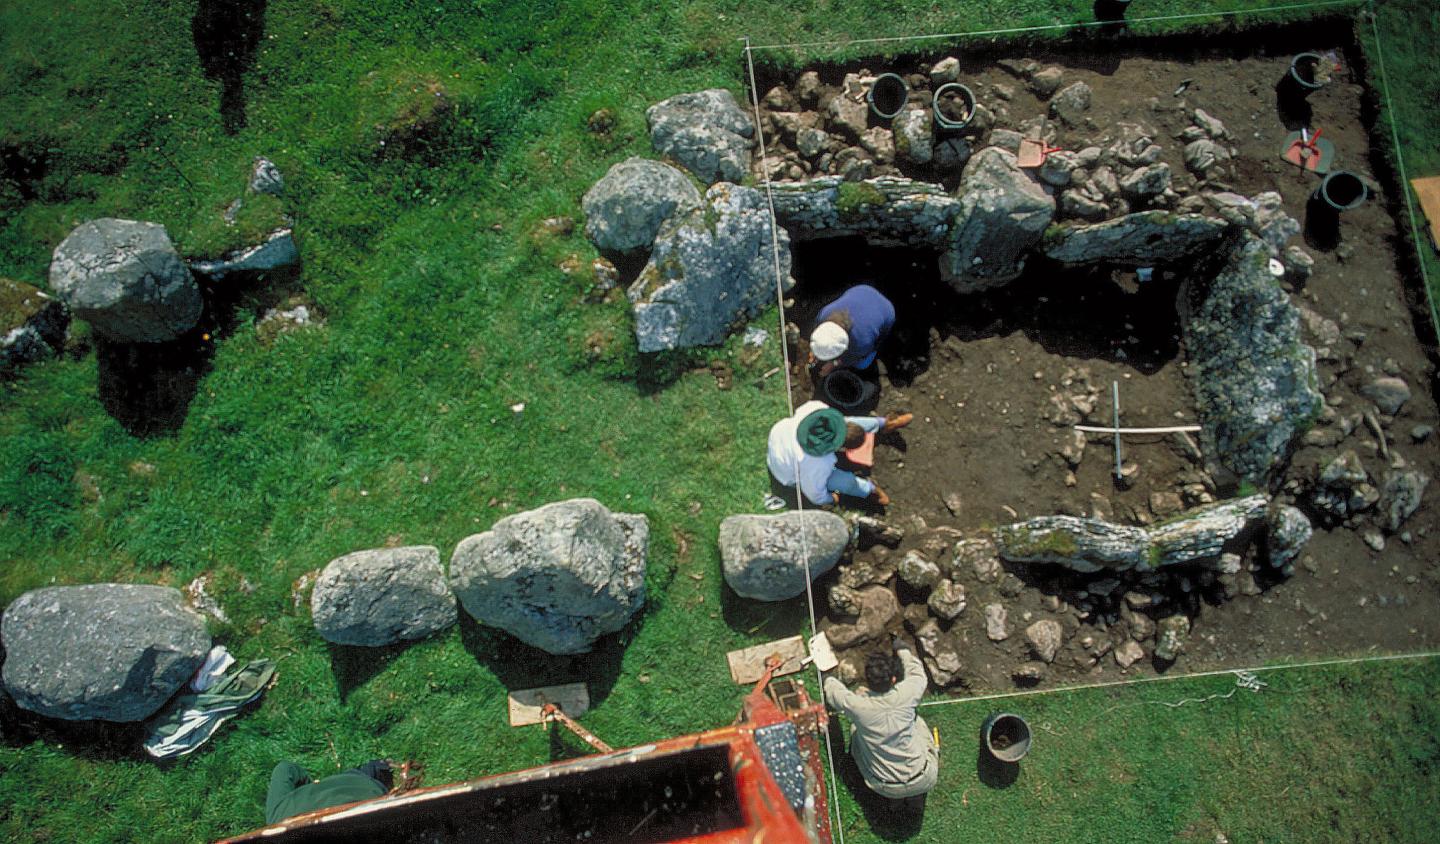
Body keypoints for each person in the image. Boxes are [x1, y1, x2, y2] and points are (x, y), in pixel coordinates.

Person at [823, 636, 938, 807]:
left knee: (856, 732)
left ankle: (895, 803)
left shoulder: (858, 706)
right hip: (924, 777)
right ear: (893, 680)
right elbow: (917, 673)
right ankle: (915, 799)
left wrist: (828, 678)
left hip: (883, 785)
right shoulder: (908, 693)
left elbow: (833, 692)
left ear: (868, 681)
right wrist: (903, 650)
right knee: (915, 720)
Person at [766, 400, 911, 507]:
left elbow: (841, 425)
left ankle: (884, 424)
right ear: (844, 449)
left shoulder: (817, 409)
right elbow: (814, 494)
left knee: (845, 423)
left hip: (780, 436)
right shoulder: (819, 464)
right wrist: (830, 499)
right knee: (844, 481)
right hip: (784, 471)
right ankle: (871, 490)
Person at [264, 759, 393, 825]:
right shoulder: (276, 815)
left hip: (374, 799)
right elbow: (284, 769)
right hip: (360, 785)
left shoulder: (277, 815)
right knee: (371, 769)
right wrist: (311, 788)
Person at [809, 284, 896, 376]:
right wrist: (815, 350)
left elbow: (852, 358)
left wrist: (834, 364)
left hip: (886, 309)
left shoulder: (862, 342)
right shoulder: (823, 315)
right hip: (863, 291)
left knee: (862, 364)